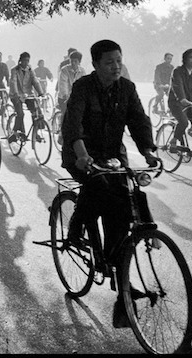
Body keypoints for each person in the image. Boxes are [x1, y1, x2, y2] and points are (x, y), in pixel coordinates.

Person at [61, 39, 158, 329]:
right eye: (109, 62)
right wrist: (81, 155)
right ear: (96, 64)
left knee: (126, 204)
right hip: (81, 154)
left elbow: (139, 120)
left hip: (114, 157)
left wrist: (148, 150)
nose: (116, 66)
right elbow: (73, 124)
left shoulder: (127, 88)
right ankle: (76, 229)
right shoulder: (83, 87)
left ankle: (121, 286)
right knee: (100, 190)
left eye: (119, 60)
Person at [8, 52, 45, 142]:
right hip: (16, 95)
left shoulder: (30, 70)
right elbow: (13, 82)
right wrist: (16, 94)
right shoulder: (15, 70)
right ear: (20, 61)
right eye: (24, 60)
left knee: (36, 111)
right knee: (20, 114)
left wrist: (41, 92)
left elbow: (35, 81)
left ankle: (36, 132)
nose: (26, 62)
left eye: (27, 60)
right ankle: (15, 132)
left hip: (28, 94)